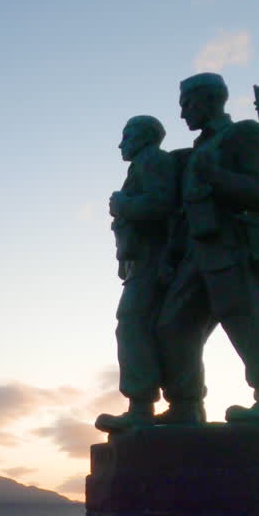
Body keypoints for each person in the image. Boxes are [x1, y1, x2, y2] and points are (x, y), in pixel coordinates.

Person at [155, 72, 259, 426]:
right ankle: (185, 405)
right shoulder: (197, 150)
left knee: (248, 321)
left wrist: (216, 177)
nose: (183, 113)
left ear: (208, 100)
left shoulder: (242, 134)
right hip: (195, 252)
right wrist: (173, 255)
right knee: (174, 326)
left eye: (187, 104)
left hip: (232, 248)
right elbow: (185, 212)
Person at [95, 115, 178, 433]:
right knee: (145, 327)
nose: (121, 143)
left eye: (126, 135)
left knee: (131, 324)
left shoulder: (152, 161)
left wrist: (123, 204)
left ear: (144, 137)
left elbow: (161, 204)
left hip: (153, 261)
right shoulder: (142, 165)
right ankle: (167, 404)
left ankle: (141, 406)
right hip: (141, 262)